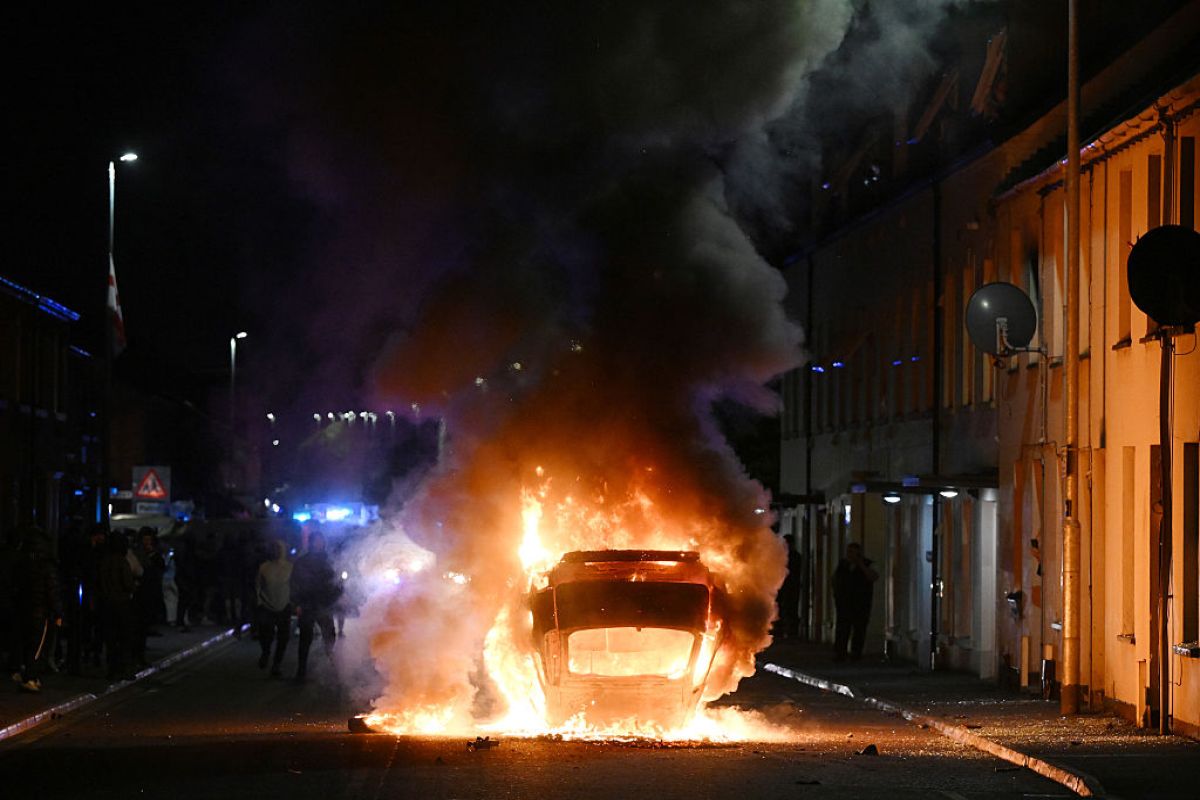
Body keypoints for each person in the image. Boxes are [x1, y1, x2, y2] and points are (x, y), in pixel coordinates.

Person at [13, 527, 64, 692]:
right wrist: (58, 611)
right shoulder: (47, 566)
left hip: (24, 608)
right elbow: (52, 590)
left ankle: (25, 673)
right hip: (40, 611)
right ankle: (31, 677)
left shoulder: (22, 564)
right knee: (38, 646)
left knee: (27, 643)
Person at [290, 531, 340, 681]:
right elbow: (295, 583)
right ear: (311, 543)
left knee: (329, 635)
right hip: (307, 604)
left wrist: (337, 596)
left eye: (321, 541)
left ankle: (333, 666)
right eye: (317, 541)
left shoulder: (328, 560)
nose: (319, 543)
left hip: (323, 604)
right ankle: (301, 670)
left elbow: (334, 581)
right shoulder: (302, 562)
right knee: (305, 638)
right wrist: (297, 603)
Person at [98, 531, 136, 680]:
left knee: (111, 638)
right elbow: (128, 583)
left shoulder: (105, 561)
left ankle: (112, 669)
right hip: (122, 602)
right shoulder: (122, 561)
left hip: (107, 603)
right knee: (125, 637)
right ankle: (125, 669)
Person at [832, 541, 878, 661]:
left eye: (853, 553)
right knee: (842, 628)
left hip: (861, 603)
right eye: (849, 552)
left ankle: (856, 654)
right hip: (844, 602)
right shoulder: (843, 565)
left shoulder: (867, 564)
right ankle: (840, 653)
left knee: (859, 629)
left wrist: (861, 565)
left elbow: (873, 577)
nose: (850, 555)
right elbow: (836, 580)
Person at [255, 540, 293, 677]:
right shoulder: (264, 567)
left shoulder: (289, 567)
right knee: (266, 635)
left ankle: (276, 665)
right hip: (266, 606)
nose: (277, 551)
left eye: (279, 549)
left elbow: (293, 586)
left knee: (283, 638)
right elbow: (258, 586)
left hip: (284, 606)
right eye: (274, 549)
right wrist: (259, 602)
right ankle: (266, 652)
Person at [776, 534, 804, 639]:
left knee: (790, 609)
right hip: (783, 587)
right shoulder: (782, 556)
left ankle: (791, 631)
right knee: (783, 609)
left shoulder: (794, 556)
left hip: (790, 587)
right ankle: (784, 630)